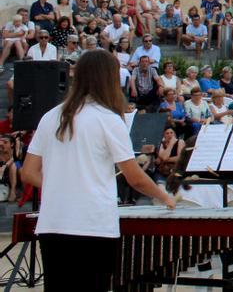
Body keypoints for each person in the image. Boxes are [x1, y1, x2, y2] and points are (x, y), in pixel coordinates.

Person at [21, 50, 175, 291]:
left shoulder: (51, 117)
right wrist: (165, 196)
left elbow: (28, 173)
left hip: (53, 224)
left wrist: (60, 184)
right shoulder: (108, 119)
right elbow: (134, 178)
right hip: (92, 225)